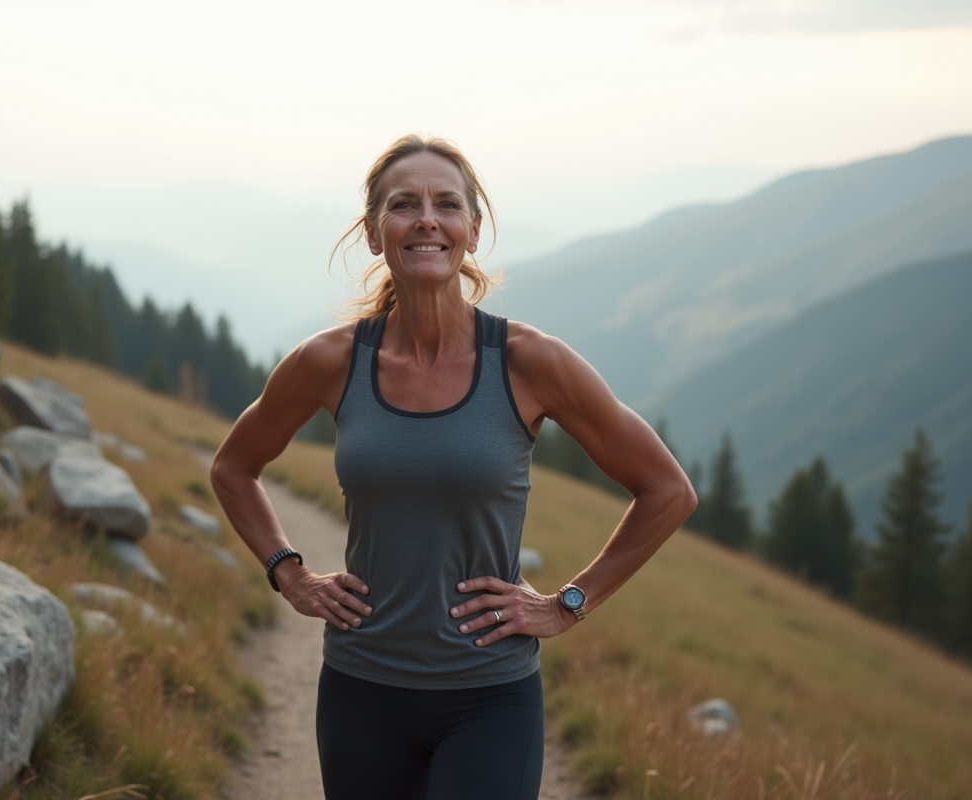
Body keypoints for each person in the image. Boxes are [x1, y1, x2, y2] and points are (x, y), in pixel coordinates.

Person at [211, 134, 696, 800]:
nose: (426, 220)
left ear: (472, 230)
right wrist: (286, 574)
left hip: (489, 698)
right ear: (377, 234)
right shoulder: (329, 361)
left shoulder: (531, 361)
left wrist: (569, 604)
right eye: (404, 204)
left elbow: (668, 490)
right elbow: (234, 468)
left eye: (446, 204)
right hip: (360, 688)